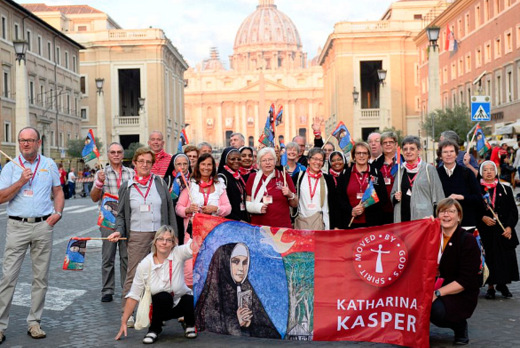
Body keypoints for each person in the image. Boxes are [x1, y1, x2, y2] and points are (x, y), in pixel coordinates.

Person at [0, 126, 64, 343]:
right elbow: (1, 198)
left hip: (42, 226)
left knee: (40, 278)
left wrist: (58, 213)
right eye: (22, 140)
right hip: (17, 226)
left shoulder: (49, 164)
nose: (25, 143)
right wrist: (20, 181)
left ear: (38, 142)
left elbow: (58, 191)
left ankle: (34, 322)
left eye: (30, 140)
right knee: (8, 277)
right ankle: (0, 325)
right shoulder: (10, 167)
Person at [108, 146, 176, 328]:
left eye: (149, 162)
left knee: (161, 274)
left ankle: (158, 312)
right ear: (135, 164)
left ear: (153, 164)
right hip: (137, 235)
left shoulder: (160, 183)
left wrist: (172, 236)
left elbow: (169, 210)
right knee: (134, 274)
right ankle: (128, 313)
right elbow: (121, 214)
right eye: (141, 161)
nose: (145, 165)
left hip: (160, 236)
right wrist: (119, 231)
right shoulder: (127, 186)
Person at [115, 225, 197, 344]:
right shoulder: (145, 264)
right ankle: (154, 329)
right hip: (160, 306)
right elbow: (134, 295)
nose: (164, 243)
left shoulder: (178, 253)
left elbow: (193, 246)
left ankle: (190, 323)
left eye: (169, 240)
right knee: (162, 296)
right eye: (160, 239)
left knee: (190, 297)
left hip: (180, 302)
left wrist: (192, 226)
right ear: (155, 242)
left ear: (173, 243)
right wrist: (124, 322)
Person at [195, 243, 280, 338]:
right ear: (224, 262)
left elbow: (271, 332)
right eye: (235, 262)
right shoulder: (212, 295)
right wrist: (236, 321)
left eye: (244, 263)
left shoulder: (246, 288)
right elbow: (207, 330)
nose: (241, 269)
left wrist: (249, 325)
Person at [176, 153, 231, 287]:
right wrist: (188, 210)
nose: (206, 167)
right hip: (193, 234)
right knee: (189, 268)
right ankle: (190, 300)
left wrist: (216, 209)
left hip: (213, 234)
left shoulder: (220, 186)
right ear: (198, 166)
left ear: (213, 167)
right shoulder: (190, 185)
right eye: (203, 164)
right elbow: (179, 207)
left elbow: (228, 208)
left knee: (211, 267)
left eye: (209, 164)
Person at [431, 198, 481, 345]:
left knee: (435, 310)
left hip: (459, 292)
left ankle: (459, 326)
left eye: (451, 211)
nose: (446, 215)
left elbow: (465, 280)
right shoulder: (431, 236)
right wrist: (422, 226)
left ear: (459, 216)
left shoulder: (467, 240)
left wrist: (436, 293)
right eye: (442, 211)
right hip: (434, 284)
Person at [90, 142, 134, 303]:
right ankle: (107, 290)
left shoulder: (131, 173)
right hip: (108, 220)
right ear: (108, 155)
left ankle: (126, 288)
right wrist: (99, 183)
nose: (116, 155)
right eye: (113, 152)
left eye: (119, 152)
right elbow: (94, 197)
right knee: (108, 256)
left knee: (126, 257)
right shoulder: (101, 173)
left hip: (127, 220)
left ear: (123, 154)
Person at [477, 161, 519, 299]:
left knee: (505, 258)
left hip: (503, 231)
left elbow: (513, 211)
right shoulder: (477, 190)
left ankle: (503, 284)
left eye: (491, 169)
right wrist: (482, 217)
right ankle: (490, 287)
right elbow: (472, 210)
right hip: (486, 231)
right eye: (485, 170)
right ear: (481, 173)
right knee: (490, 258)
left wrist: (509, 227)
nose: (488, 172)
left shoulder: (505, 189)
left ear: (496, 172)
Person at [391, 136, 445, 222]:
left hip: (424, 219)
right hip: (403, 219)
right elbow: (392, 194)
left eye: (412, 149)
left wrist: (437, 219)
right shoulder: (400, 170)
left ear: (419, 150)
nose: (408, 152)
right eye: (405, 149)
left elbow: (439, 197)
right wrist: (395, 197)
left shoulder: (429, 169)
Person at [336, 142, 387, 229]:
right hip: (350, 223)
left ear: (369, 155)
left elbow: (383, 198)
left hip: (371, 223)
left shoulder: (376, 173)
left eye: (364, 153)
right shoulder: (345, 174)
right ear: (354, 155)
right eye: (358, 153)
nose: (361, 156)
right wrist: (351, 210)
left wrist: (365, 206)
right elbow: (339, 199)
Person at [246, 147, 297, 228]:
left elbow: (295, 204)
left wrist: (290, 194)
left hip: (281, 227)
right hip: (259, 227)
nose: (267, 163)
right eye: (264, 160)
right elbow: (247, 203)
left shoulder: (284, 176)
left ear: (275, 160)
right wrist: (256, 207)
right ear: (259, 163)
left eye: (270, 159)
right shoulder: (252, 177)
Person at [436, 140, 482, 229]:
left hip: (466, 223)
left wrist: (462, 197)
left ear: (456, 154)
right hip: (443, 224)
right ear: (440, 156)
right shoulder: (435, 174)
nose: (449, 154)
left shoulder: (467, 173)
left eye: (452, 151)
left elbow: (478, 198)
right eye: (445, 152)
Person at [292, 148, 335, 230]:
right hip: (301, 223)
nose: (317, 162)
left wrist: (328, 228)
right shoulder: (298, 177)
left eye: (320, 160)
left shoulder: (328, 180)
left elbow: (330, 205)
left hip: (320, 224)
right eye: (315, 159)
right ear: (308, 160)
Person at [373, 131, 400, 224]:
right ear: (381, 145)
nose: (388, 144)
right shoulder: (375, 165)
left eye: (391, 142)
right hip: (381, 209)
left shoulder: (403, 162)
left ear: (396, 144)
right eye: (385, 142)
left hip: (399, 207)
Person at [218, 148, 249, 222]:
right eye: (232, 159)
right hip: (230, 221)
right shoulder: (222, 177)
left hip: (240, 219)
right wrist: (237, 219)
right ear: (225, 160)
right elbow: (221, 204)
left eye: (239, 159)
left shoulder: (238, 176)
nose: (236, 162)